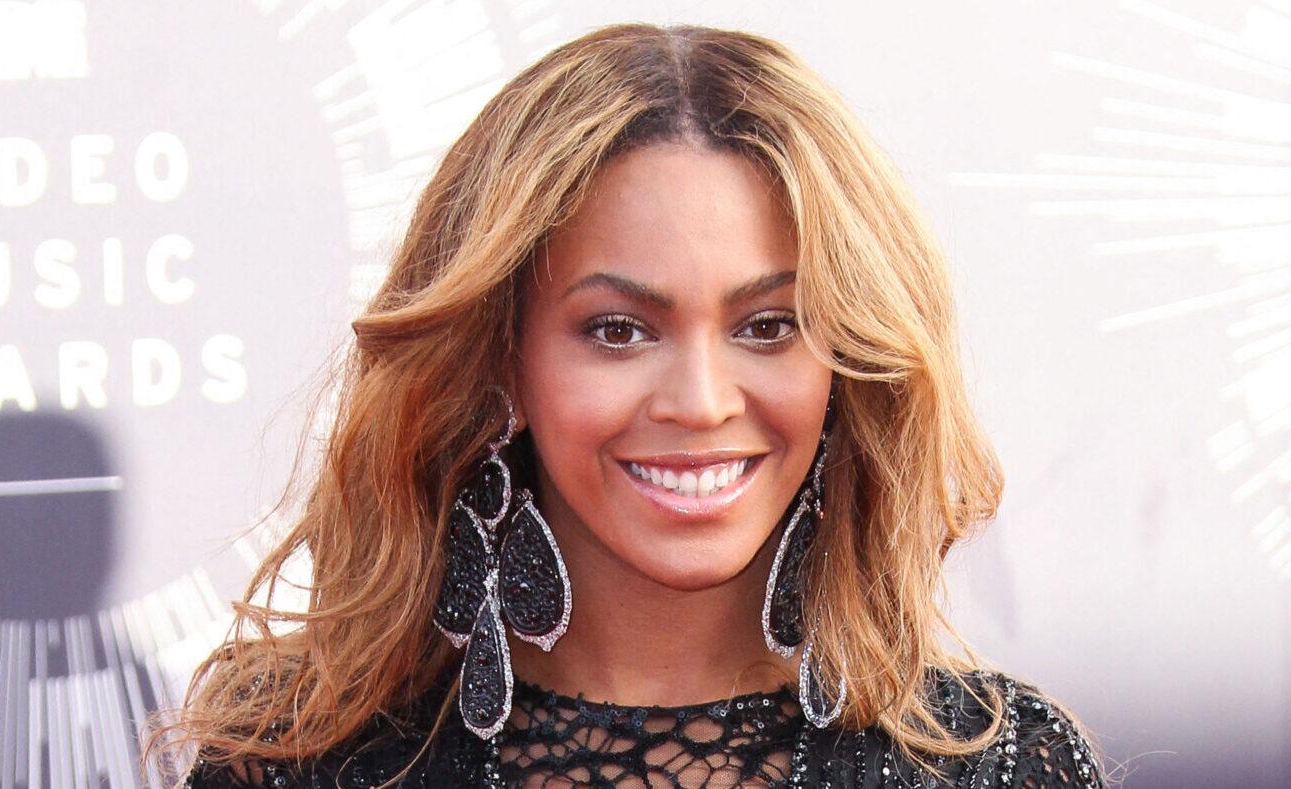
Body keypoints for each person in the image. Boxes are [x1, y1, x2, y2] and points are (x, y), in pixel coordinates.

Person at [148, 22, 1111, 789]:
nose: (700, 402)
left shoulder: (997, 767)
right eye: (619, 330)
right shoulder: (301, 769)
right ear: (501, 361)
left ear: (846, 361)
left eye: (769, 325)